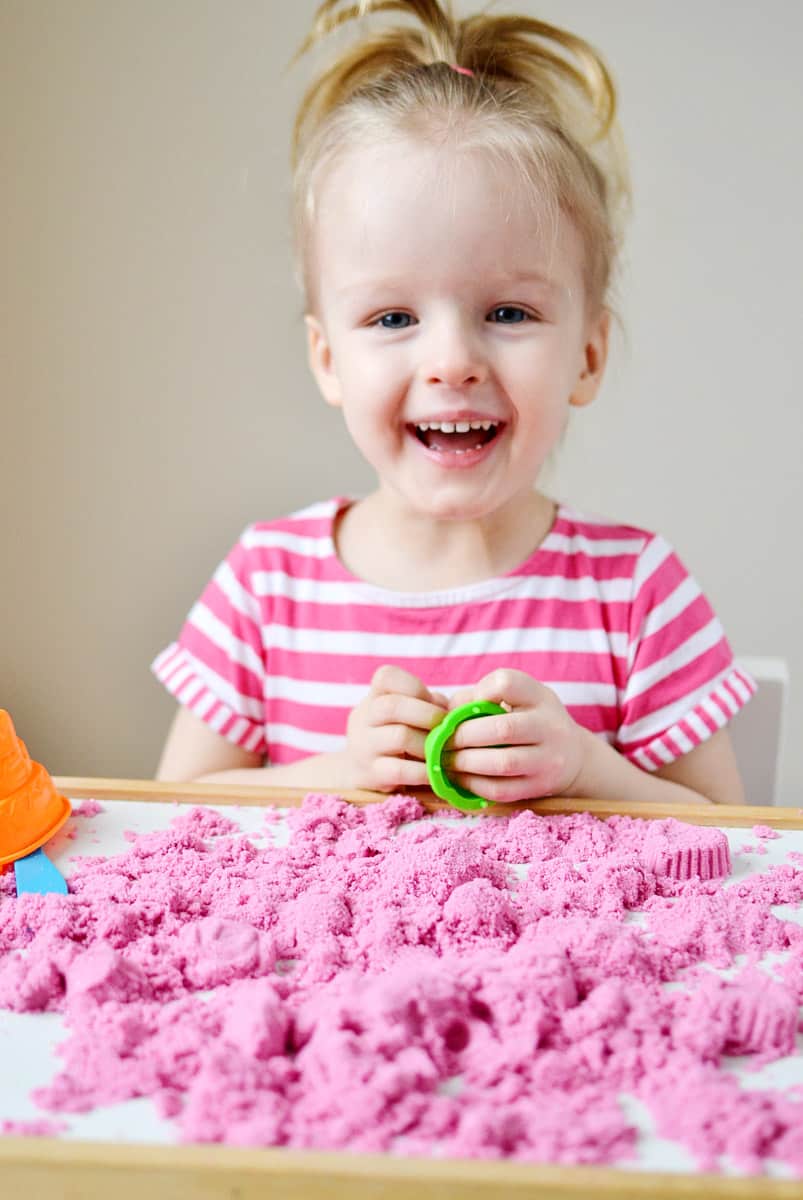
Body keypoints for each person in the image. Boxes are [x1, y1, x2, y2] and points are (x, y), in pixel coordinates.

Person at [153, 0, 754, 805]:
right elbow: (170, 814)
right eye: (393, 317)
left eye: (507, 313)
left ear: (587, 353)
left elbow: (734, 836)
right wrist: (341, 773)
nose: (451, 362)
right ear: (328, 360)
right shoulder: (267, 584)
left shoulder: (636, 593)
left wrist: (584, 766)